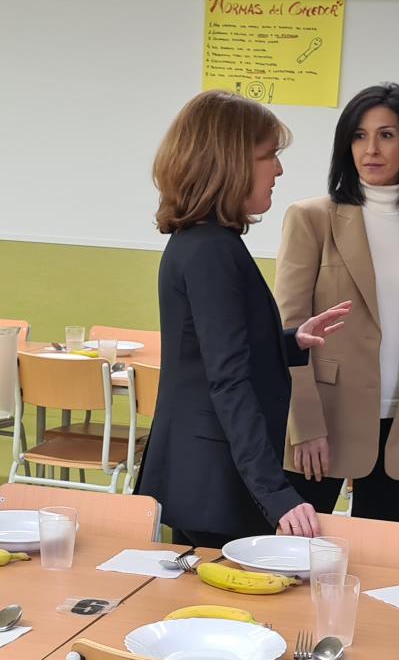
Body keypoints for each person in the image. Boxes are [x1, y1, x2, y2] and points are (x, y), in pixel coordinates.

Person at [134, 90, 351, 547]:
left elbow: (211, 348)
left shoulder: (207, 242)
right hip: (214, 480)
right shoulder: (211, 250)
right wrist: (276, 493)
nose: (279, 169)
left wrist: (288, 341)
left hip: (205, 471)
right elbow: (227, 379)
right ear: (228, 163)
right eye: (268, 155)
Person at [275, 83, 399, 522]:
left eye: (387, 135)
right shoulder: (311, 218)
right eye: (359, 135)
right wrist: (305, 426)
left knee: (381, 562)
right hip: (325, 421)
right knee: (297, 560)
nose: (371, 149)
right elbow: (287, 331)